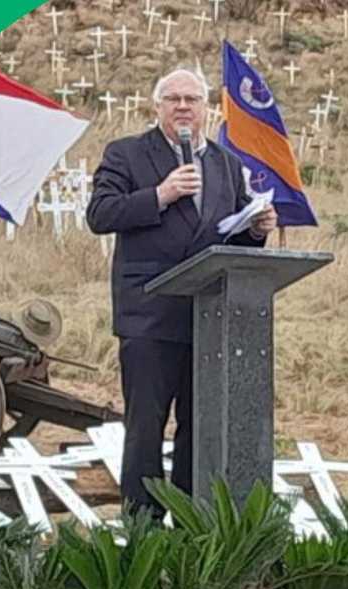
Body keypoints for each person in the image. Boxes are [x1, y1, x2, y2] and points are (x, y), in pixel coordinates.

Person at [86, 67, 278, 515]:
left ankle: (191, 519)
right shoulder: (127, 154)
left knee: (199, 425)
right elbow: (100, 213)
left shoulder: (226, 163)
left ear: (207, 108)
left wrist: (256, 229)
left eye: (192, 99)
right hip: (149, 315)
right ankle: (144, 526)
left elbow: (228, 235)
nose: (184, 107)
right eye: (173, 99)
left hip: (206, 316)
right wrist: (160, 194)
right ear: (158, 108)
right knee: (145, 426)